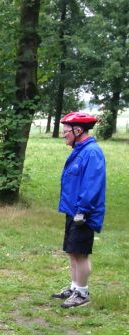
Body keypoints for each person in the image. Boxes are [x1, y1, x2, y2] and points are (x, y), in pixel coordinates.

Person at [52, 111, 106, 308]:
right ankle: (75, 287)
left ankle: (82, 294)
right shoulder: (80, 150)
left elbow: (92, 185)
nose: (64, 134)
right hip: (73, 210)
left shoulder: (91, 152)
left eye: (66, 131)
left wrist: (82, 211)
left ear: (78, 130)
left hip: (83, 213)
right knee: (72, 251)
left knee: (81, 253)